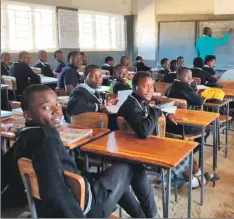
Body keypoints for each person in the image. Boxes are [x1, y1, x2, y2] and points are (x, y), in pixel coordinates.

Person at [1, 84, 159, 217]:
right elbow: (54, 192)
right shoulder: (47, 139)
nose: (57, 111)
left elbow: (6, 169)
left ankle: (144, 217)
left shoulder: (25, 135)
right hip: (87, 205)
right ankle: (152, 215)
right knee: (132, 164)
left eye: (57, 104)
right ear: (28, 115)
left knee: (121, 181)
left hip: (75, 190)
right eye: (46, 107)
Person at [117, 72, 218, 188]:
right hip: (136, 152)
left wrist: (166, 114)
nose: (150, 90)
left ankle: (197, 176)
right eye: (145, 86)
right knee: (178, 153)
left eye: (151, 86)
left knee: (183, 148)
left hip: (145, 145)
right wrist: (157, 110)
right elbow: (144, 131)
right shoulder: (130, 106)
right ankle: (194, 181)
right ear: (134, 87)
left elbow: (151, 112)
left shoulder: (139, 101)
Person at [67, 65, 119, 130]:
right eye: (93, 76)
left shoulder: (92, 90)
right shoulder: (79, 91)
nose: (98, 79)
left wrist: (106, 104)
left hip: (102, 125)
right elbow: (73, 107)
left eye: (100, 76)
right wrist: (99, 106)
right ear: (84, 77)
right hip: (93, 129)